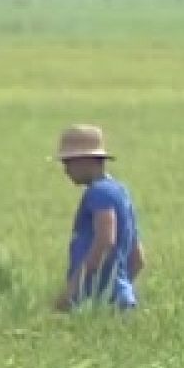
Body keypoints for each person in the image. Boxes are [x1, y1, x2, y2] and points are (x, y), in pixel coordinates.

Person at [50, 124, 145, 312]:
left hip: (96, 303)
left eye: (69, 163)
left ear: (87, 160)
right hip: (120, 301)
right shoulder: (120, 192)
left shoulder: (98, 193)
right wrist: (121, 290)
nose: (66, 170)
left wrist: (72, 292)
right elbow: (138, 258)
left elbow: (104, 242)